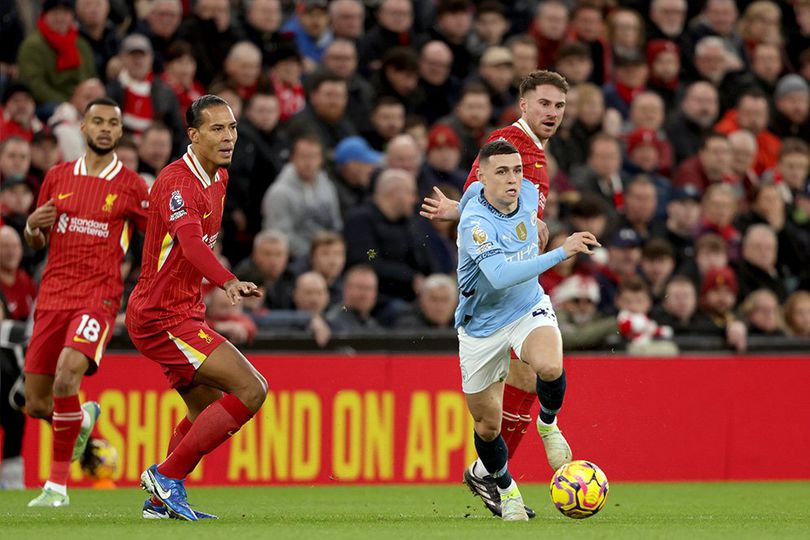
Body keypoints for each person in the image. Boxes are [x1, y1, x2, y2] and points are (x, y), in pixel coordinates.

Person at [421, 70, 570, 518]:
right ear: (524, 105)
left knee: (531, 377)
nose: (552, 113)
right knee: (491, 416)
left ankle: (494, 474)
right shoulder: (509, 142)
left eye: (559, 106)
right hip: (487, 291)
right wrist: (460, 207)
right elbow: (478, 190)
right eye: (544, 104)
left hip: (520, 294)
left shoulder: (536, 152)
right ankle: (490, 471)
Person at [126, 95, 267, 521]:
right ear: (193, 135)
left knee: (205, 409)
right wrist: (226, 280)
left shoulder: (218, 178)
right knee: (252, 389)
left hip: (183, 311)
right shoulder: (177, 182)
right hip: (160, 316)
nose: (229, 137)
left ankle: (159, 502)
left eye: (233, 128)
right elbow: (189, 244)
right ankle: (166, 476)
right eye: (217, 129)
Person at [455, 140, 599, 521]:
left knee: (549, 367)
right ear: (481, 176)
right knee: (488, 426)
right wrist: (560, 252)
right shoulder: (474, 224)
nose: (513, 179)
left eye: (517, 170)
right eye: (501, 172)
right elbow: (499, 276)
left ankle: (548, 425)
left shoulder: (529, 192)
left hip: (526, 307)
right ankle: (505, 488)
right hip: (480, 327)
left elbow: (479, 199)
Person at [23, 98, 150, 507]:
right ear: (83, 126)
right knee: (37, 402)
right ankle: (84, 420)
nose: (105, 129)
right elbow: (38, 237)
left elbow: (157, 238)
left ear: (119, 132)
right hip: (53, 295)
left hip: (98, 295)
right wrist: (30, 228)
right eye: (98, 121)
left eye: (113, 123)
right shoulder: (57, 176)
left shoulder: (131, 186)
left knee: (66, 378)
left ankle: (56, 488)